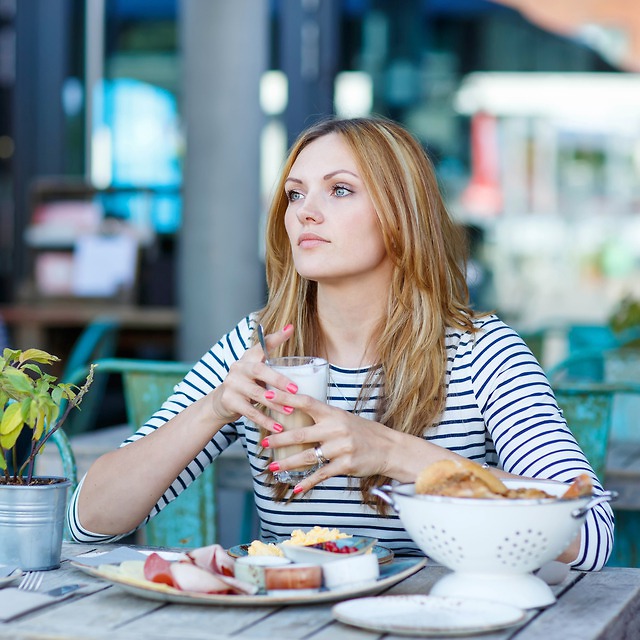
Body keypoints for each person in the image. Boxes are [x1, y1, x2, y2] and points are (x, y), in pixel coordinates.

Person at [68, 116, 613, 570]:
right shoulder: (261, 348)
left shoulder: (482, 352)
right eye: (295, 194)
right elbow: (88, 522)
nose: (305, 210)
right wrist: (212, 409)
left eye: (341, 190)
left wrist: (394, 452)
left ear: (401, 215)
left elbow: (588, 536)